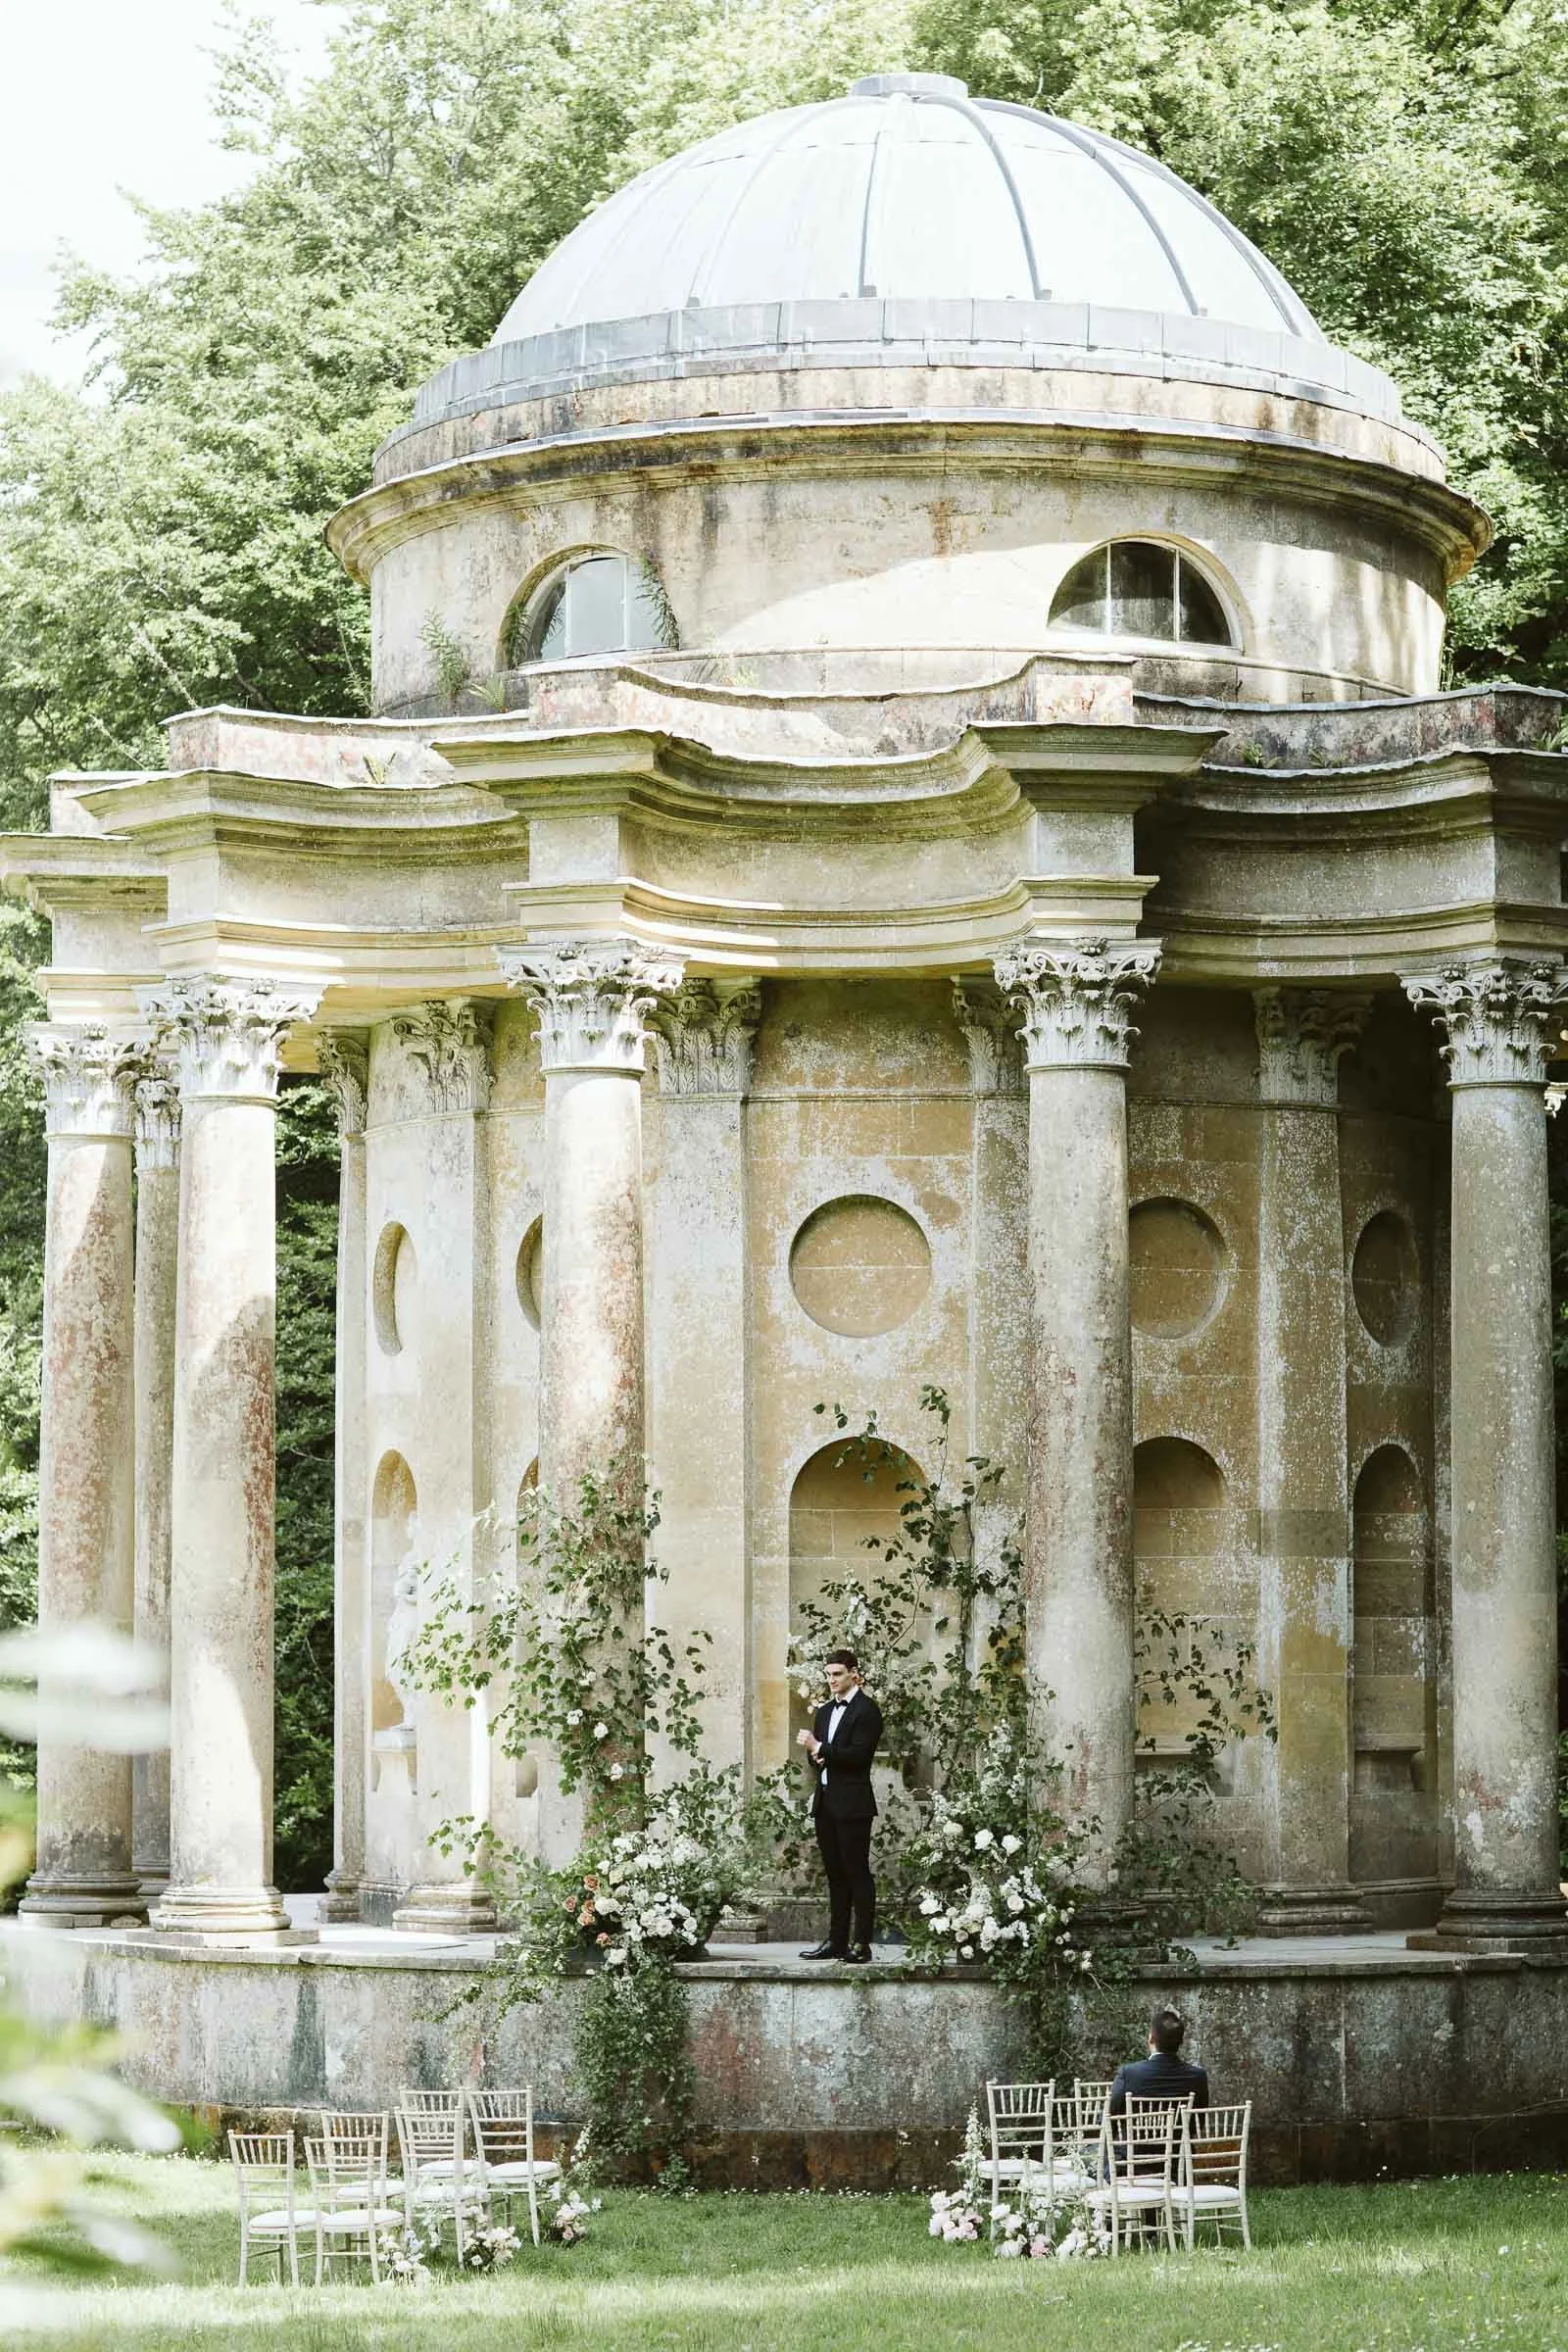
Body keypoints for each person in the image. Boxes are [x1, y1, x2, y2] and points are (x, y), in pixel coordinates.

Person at [796, 1647, 883, 1964]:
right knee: (835, 1874)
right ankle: (836, 1941)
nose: (831, 1680)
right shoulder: (824, 1712)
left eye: (837, 1674)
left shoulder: (867, 1710)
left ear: (854, 1674)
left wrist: (819, 1747)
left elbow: (859, 1756)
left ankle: (862, 1944)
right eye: (828, 1674)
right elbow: (818, 1757)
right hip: (826, 1802)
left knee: (857, 1872)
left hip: (854, 1804)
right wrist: (816, 1754)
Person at [1107, 2007, 1210, 2115]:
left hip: (1137, 2126)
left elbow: (1110, 2114)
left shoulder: (1128, 2074)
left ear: (1151, 2039)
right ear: (1181, 2042)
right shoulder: (1198, 2076)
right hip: (1180, 2127)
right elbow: (1199, 2118)